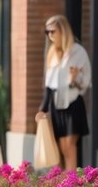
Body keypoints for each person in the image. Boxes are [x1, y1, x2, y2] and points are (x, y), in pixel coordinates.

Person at [35, 14, 90, 172]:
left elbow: (84, 82)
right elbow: (49, 86)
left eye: (52, 31)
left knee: (68, 147)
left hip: (72, 104)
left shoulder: (77, 52)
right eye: (47, 32)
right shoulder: (52, 53)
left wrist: (74, 79)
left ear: (63, 30)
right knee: (58, 150)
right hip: (56, 106)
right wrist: (42, 109)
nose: (50, 35)